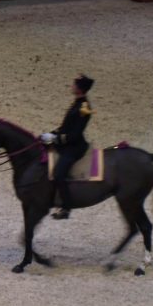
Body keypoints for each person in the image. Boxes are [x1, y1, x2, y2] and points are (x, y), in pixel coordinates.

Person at [40, 74, 93, 220]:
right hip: (66, 143)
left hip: (75, 147)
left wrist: (56, 138)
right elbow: (65, 126)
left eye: (75, 84)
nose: (72, 86)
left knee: (58, 174)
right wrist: (50, 134)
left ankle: (66, 207)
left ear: (80, 89)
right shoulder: (77, 103)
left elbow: (75, 134)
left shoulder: (84, 107)